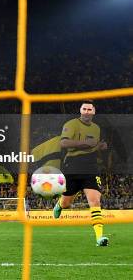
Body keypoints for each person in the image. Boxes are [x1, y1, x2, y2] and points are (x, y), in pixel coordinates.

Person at [53, 101, 109, 246]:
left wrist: (100, 147)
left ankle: (99, 238)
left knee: (95, 201)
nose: (86, 111)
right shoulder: (71, 124)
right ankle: (59, 204)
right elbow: (63, 143)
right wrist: (85, 143)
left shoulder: (96, 128)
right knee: (66, 203)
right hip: (72, 165)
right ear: (80, 110)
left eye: (89, 109)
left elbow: (92, 147)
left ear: (93, 112)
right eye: (84, 109)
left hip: (90, 167)